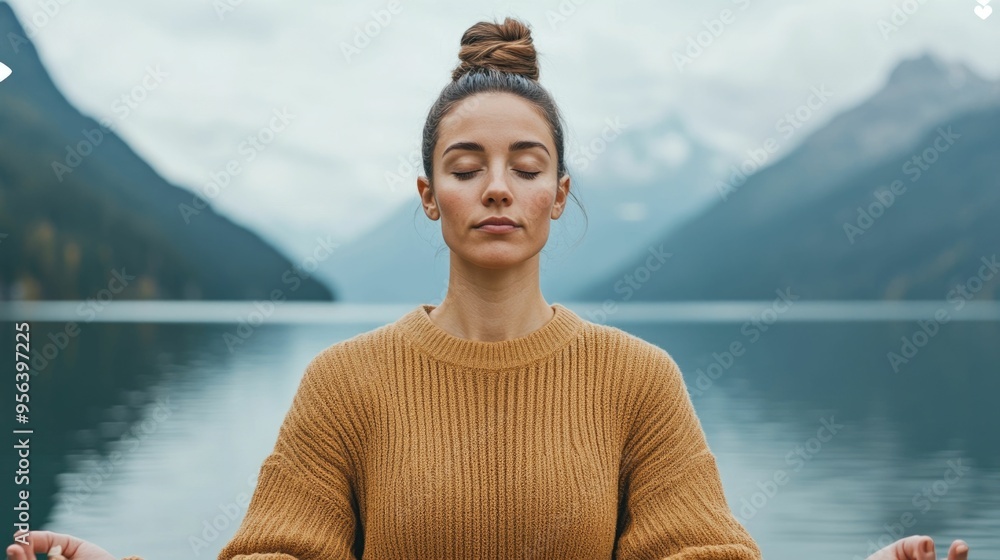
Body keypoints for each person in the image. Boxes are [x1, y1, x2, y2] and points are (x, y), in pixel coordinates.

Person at [7, 16, 973, 560]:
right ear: (429, 195)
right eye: (466, 167)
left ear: (561, 193)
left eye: (526, 165)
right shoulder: (346, 383)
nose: (498, 188)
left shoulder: (638, 380)